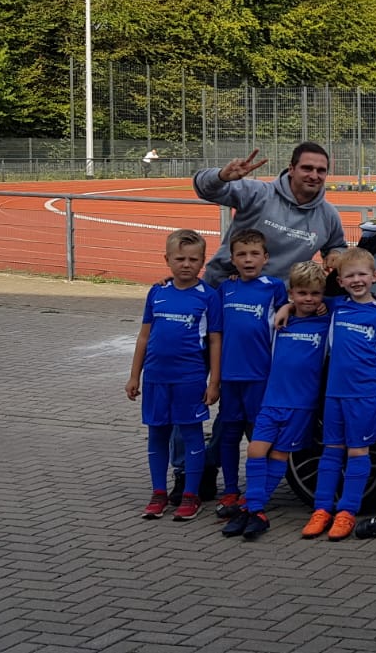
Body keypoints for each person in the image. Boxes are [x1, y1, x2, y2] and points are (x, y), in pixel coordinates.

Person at [223, 261, 329, 539]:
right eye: (302, 293)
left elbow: (351, 301)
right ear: (291, 293)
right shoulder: (280, 321)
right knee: (256, 450)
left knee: (280, 455)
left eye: (315, 294)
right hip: (271, 401)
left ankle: (252, 509)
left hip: (301, 405)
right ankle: (254, 508)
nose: (309, 299)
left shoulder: (325, 322)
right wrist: (288, 307)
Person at [125, 229, 222, 522]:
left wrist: (213, 382)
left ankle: (191, 494)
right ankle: (158, 493)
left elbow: (215, 341)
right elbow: (144, 336)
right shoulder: (157, 292)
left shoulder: (209, 297)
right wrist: (134, 376)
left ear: (202, 261)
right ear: (167, 259)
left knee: (191, 435)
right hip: (156, 378)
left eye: (193, 259)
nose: (186, 265)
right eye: (180, 259)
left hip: (189, 379)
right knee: (157, 434)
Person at [302, 247, 376, 541]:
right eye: (350, 276)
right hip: (335, 394)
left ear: (374, 276)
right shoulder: (335, 306)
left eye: (362, 274)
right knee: (331, 451)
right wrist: (285, 309)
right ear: (340, 281)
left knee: (358, 452)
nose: (357, 280)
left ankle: (347, 511)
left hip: (365, 394)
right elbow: (304, 298)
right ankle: (321, 510)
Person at [194, 143, 348, 288]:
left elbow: (337, 245)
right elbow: (204, 189)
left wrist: (335, 253)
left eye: (321, 170)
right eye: (307, 168)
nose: (314, 176)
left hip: (277, 298)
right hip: (224, 289)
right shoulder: (258, 193)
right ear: (291, 169)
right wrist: (221, 176)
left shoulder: (328, 215)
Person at [212, 229, 287, 520]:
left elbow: (290, 312)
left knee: (259, 436)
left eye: (254, 254)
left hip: (260, 377)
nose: (248, 259)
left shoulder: (274, 287)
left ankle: (256, 491)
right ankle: (231, 489)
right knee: (229, 435)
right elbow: (216, 333)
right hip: (231, 377)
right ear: (232, 260)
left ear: (265, 258)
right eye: (241, 254)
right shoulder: (226, 288)